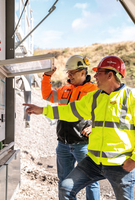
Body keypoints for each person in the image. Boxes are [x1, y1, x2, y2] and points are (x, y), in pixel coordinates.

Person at [24, 55, 135, 200]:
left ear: (110, 75)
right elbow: (68, 111)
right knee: (66, 187)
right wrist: (42, 110)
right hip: (94, 162)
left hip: (121, 163)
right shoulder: (94, 97)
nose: (94, 76)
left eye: (98, 73)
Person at [41, 55, 100, 199]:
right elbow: (47, 95)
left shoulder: (95, 90)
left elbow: (104, 113)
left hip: (84, 144)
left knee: (91, 182)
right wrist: (46, 77)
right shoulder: (65, 89)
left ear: (82, 72)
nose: (69, 75)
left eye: (72, 72)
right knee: (64, 181)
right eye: (68, 72)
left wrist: (94, 126)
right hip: (63, 144)